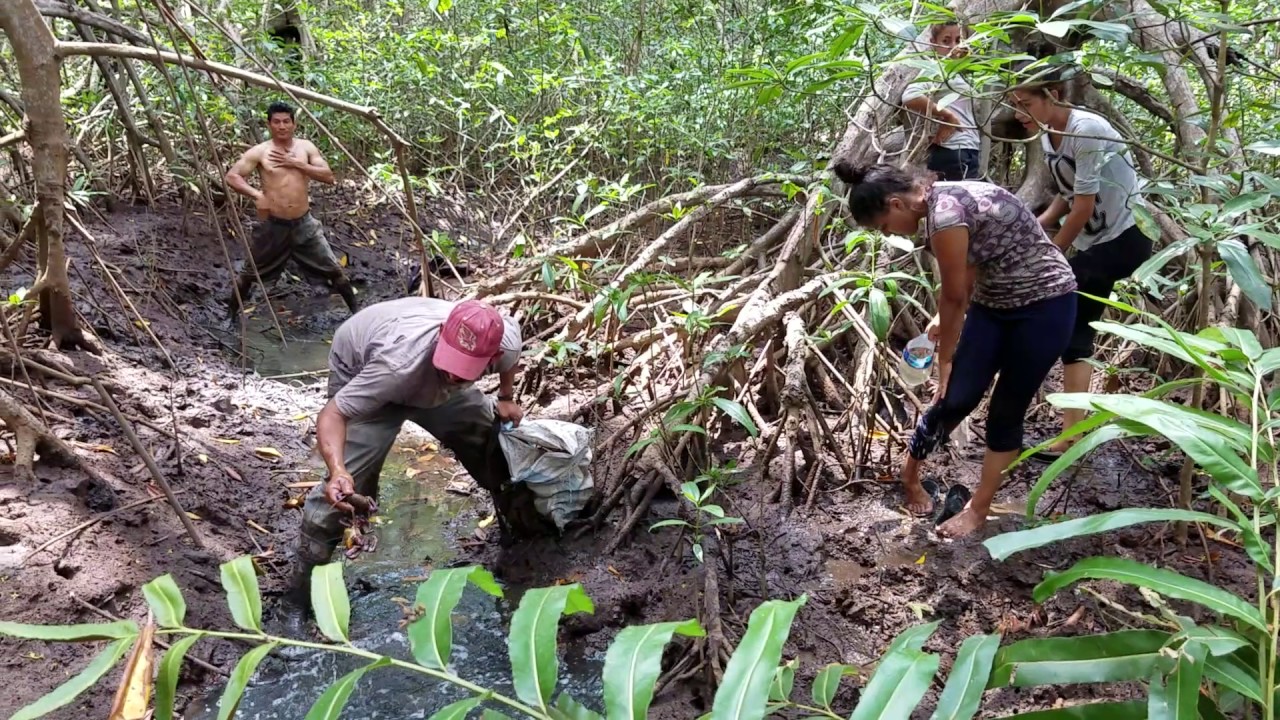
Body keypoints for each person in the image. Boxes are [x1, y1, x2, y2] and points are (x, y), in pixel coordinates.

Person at [835, 162, 1078, 538]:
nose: (888, 234)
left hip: (1045, 306)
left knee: (1005, 412)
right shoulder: (939, 203)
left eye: (884, 227)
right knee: (954, 398)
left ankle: (977, 510)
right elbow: (971, 264)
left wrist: (945, 358)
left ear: (897, 205)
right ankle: (910, 474)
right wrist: (940, 320)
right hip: (994, 304)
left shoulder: (944, 214)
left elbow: (953, 294)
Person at [286, 297, 527, 604]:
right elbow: (334, 414)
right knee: (348, 490)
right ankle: (298, 597)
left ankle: (521, 537)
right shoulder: (394, 366)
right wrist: (337, 470)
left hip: (432, 386)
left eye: (465, 370)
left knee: (493, 446)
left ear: (494, 355)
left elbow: (510, 360)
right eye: (452, 363)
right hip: (369, 371)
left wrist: (506, 397)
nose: (455, 376)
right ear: (441, 334)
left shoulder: (503, 339)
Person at [1008, 67, 1154, 457]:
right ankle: (1072, 434)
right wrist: (1036, 227)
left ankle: (1072, 433)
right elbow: (1067, 194)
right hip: (1096, 241)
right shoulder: (1050, 135)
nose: (1020, 113)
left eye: (1026, 104)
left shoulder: (1084, 129)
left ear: (1053, 94)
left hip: (1126, 237)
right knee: (1077, 334)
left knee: (1065, 307)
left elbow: (1084, 205)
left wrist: (1051, 254)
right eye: (1014, 105)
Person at [224, 101, 357, 322]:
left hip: (303, 224)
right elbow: (232, 176)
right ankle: (230, 317)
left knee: (335, 271)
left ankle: (356, 314)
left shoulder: (305, 147)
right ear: (269, 124)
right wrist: (257, 195)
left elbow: (328, 176)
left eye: (286, 121)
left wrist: (297, 164)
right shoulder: (260, 151)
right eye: (276, 122)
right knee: (248, 274)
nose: (282, 126)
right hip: (273, 226)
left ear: (294, 124)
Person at [901, 22, 983, 181]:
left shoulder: (953, 71)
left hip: (963, 150)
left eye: (958, 40)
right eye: (946, 41)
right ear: (933, 43)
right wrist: (948, 116)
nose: (953, 46)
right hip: (954, 151)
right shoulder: (936, 69)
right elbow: (910, 96)